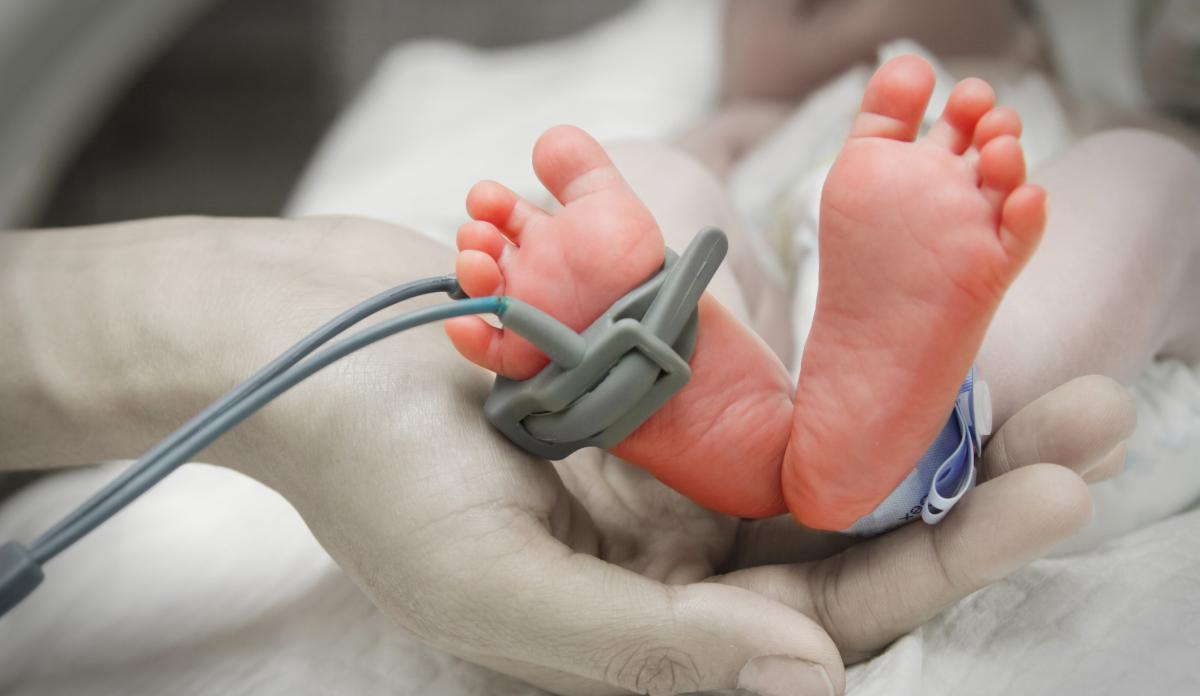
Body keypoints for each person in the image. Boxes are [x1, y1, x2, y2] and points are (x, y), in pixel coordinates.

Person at [0, 213, 1133, 695]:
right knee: (1144, 186)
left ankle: (836, 401)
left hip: (777, 290)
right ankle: (871, 424)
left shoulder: (1056, 91)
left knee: (669, 199)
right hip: (791, 282)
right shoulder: (762, 115)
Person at [444, 55, 1200, 536]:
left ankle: (911, 422)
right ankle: (682, 349)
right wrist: (570, 243)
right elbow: (681, 178)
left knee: (1151, 174)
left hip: (969, 264)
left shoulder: (1058, 90)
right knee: (645, 174)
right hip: (768, 317)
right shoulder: (750, 117)